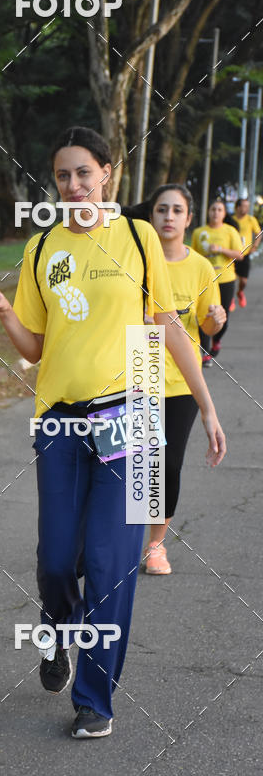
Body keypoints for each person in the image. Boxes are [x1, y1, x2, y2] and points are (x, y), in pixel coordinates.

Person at [0, 127, 226, 739]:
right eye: (62, 176)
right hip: (58, 421)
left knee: (112, 563)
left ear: (106, 174)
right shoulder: (41, 249)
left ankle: (95, 697)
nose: (74, 185)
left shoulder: (137, 239)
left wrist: (209, 408)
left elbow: (169, 328)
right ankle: (59, 628)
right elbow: (33, 349)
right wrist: (3, 316)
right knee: (57, 559)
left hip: (129, 419)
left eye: (84, 173)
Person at [142, 185, 226, 575]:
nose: (169, 216)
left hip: (181, 383)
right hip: (136, 374)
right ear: (152, 216)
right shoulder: (135, 260)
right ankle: (118, 540)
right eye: (162, 209)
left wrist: (216, 319)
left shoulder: (201, 267)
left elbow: (206, 325)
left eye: (177, 210)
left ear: (188, 219)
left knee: (167, 464)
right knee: (135, 465)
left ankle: (155, 544)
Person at [191, 199, 242, 363]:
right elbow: (193, 256)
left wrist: (220, 249)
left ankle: (217, 340)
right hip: (205, 280)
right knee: (204, 315)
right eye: (213, 209)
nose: (216, 213)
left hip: (226, 279)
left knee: (223, 316)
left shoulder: (230, 231)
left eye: (219, 210)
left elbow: (239, 255)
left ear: (224, 213)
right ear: (208, 212)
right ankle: (205, 352)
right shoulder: (199, 232)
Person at [233, 197, 261, 308]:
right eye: (244, 206)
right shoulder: (232, 220)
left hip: (245, 254)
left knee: (243, 281)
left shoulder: (251, 220)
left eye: (247, 206)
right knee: (230, 279)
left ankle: (240, 292)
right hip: (232, 254)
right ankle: (229, 298)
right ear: (238, 207)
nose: (246, 209)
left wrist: (255, 245)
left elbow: (258, 233)